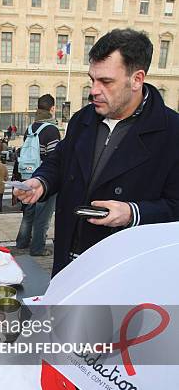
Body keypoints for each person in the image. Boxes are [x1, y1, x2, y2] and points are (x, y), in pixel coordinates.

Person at [14, 28, 179, 276]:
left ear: (137, 79)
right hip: (68, 259)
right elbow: (60, 161)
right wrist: (42, 182)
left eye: (106, 82)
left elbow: (175, 205)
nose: (93, 90)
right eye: (92, 79)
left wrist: (132, 213)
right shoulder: (83, 119)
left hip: (122, 270)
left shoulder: (172, 132)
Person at [16, 94, 60, 256]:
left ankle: (22, 242)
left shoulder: (31, 128)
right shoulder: (52, 130)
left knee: (28, 212)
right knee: (43, 215)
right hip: (43, 180)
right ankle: (37, 248)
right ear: (52, 108)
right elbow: (54, 157)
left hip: (28, 175)